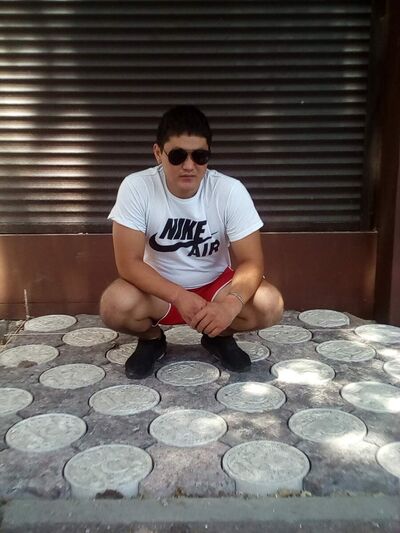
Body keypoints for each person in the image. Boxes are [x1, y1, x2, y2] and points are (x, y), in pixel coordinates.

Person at [100, 105, 284, 379]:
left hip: (215, 287)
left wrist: (230, 305)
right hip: (159, 293)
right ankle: (152, 340)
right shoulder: (137, 187)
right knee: (114, 305)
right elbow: (129, 263)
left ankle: (218, 334)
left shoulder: (229, 190)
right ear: (158, 153)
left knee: (270, 303)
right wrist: (178, 296)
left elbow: (251, 261)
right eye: (177, 156)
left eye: (200, 156)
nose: (189, 166)